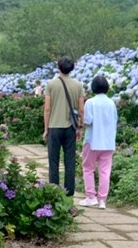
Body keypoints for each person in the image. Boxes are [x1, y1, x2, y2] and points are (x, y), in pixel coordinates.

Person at [43, 57, 86, 196]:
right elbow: (81, 110)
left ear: (58, 67)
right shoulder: (78, 85)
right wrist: (79, 127)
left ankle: (54, 190)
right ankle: (69, 191)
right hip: (70, 128)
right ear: (72, 68)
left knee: (53, 161)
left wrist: (46, 129)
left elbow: (47, 109)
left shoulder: (51, 84)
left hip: (54, 127)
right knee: (70, 161)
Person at [79, 75, 118, 209]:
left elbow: (88, 121)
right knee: (105, 171)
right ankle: (102, 200)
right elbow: (114, 120)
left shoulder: (90, 102)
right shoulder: (111, 103)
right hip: (108, 142)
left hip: (92, 140)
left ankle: (91, 197)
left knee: (88, 168)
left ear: (93, 87)